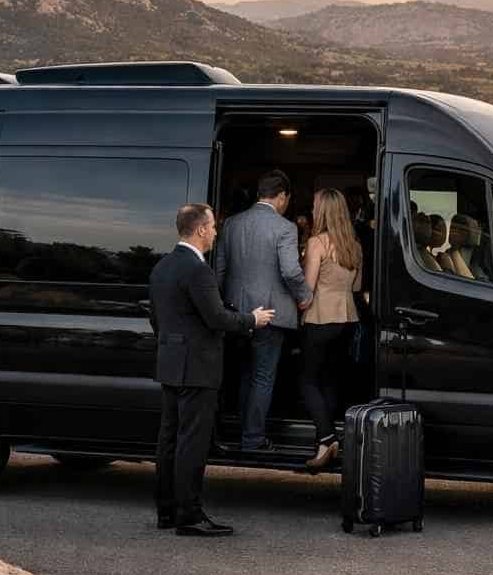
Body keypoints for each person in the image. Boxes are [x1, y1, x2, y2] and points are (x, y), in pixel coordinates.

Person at [150, 203, 274, 537]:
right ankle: (189, 515)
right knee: (192, 442)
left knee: (169, 440)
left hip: (171, 363)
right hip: (197, 367)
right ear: (201, 229)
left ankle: (167, 510)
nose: (217, 232)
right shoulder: (197, 270)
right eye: (213, 227)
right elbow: (216, 318)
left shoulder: (162, 266)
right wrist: (253, 320)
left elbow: (157, 320)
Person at [215, 169, 313, 451]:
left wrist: (220, 306)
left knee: (246, 373)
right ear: (281, 196)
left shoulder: (231, 224)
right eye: (287, 199)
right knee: (262, 377)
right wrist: (304, 296)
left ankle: (243, 431)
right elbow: (292, 272)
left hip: (235, 314)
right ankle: (253, 438)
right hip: (270, 316)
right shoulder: (285, 227)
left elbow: (219, 270)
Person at [299, 189, 363, 470]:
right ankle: (323, 441)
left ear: (323, 210)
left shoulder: (317, 243)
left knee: (307, 380)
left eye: (314, 205)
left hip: (320, 318)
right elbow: (357, 287)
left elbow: (307, 289)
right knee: (330, 381)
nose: (312, 209)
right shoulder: (354, 246)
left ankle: (327, 438)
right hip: (348, 318)